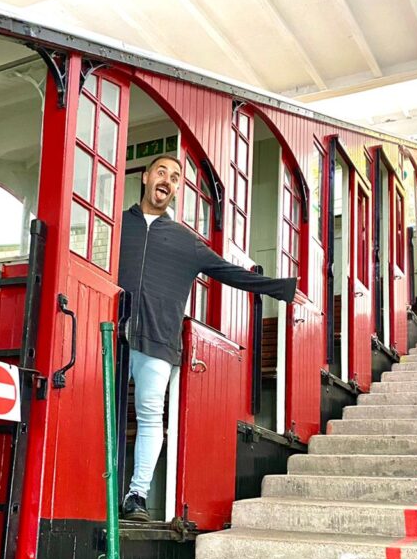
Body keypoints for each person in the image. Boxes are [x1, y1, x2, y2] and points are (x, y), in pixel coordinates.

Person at [118, 154, 298, 521]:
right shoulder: (117, 225)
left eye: (175, 176)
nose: (167, 179)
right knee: (101, 413)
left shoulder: (186, 242)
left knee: (151, 416)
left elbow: (229, 272)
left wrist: (282, 288)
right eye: (162, 172)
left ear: (177, 189)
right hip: (111, 335)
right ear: (147, 177)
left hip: (157, 340)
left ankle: (137, 494)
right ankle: (98, 486)